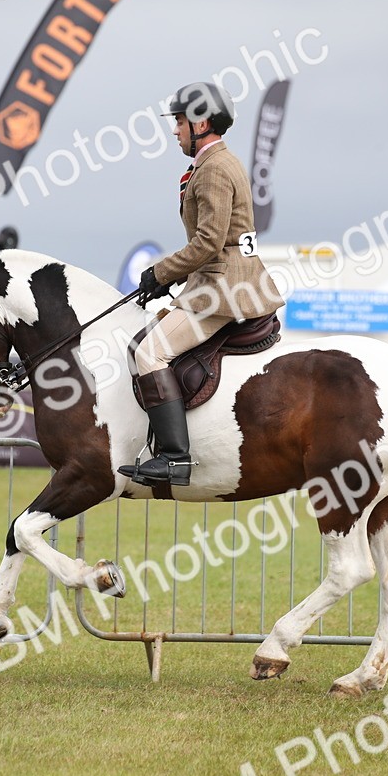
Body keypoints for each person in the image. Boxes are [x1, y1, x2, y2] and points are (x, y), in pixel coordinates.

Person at [117, 81, 285, 487]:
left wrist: (161, 273)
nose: (174, 130)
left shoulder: (213, 169)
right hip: (227, 281)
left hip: (222, 289)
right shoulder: (220, 163)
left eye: (178, 121)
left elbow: (209, 241)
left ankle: (174, 457)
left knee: (148, 352)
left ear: (201, 121)